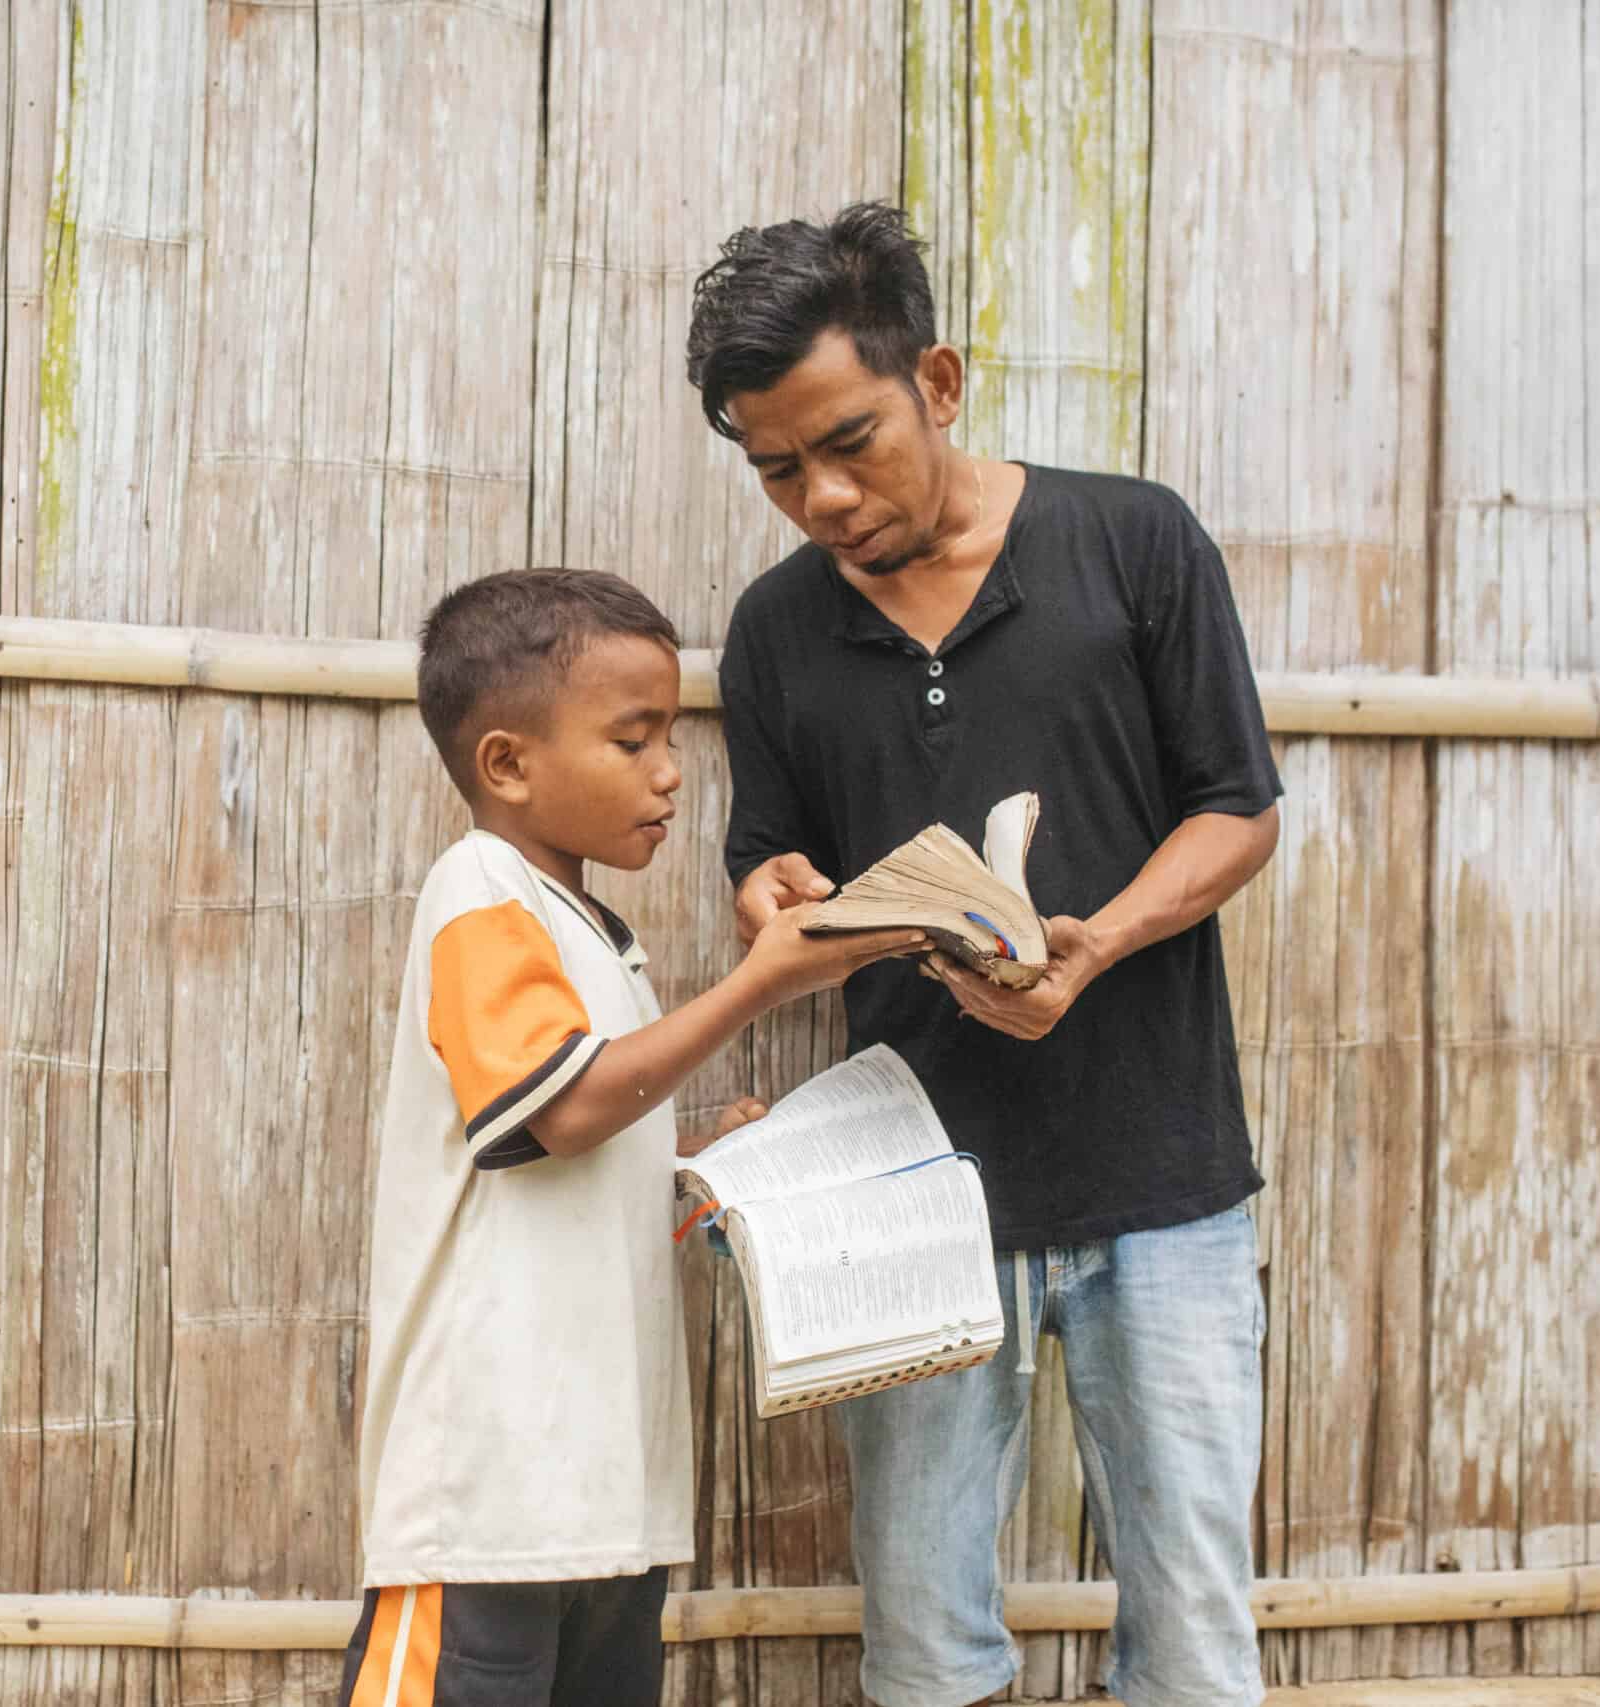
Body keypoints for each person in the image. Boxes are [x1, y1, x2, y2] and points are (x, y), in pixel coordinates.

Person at [684, 203, 1284, 1707]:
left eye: (850, 441)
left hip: (1167, 1179)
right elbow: (765, 852)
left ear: (938, 383)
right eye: (774, 469)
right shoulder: (773, 632)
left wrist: (1100, 941)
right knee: (925, 1636)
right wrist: (777, 896)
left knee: (1198, 1632)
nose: (820, 495)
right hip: (908, 1195)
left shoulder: (1133, 539)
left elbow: (1241, 810)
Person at [343, 568, 920, 1707]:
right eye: (631, 738)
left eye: (670, 737)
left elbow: (573, 1139)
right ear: (506, 764)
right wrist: (759, 985)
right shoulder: (480, 892)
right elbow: (558, 1111)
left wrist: (692, 1159)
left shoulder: (595, 938)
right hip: (485, 1499)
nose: (668, 772)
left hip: (602, 1491)